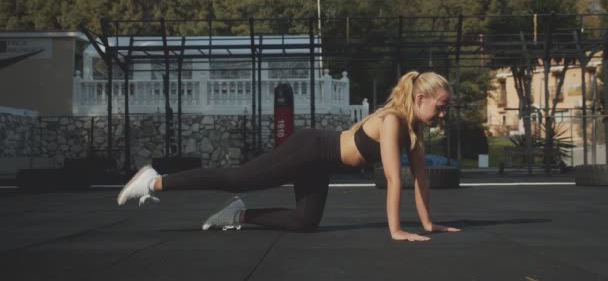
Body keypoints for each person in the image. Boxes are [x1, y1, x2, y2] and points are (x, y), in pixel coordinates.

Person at [117, 71, 461, 241]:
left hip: (322, 165)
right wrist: (397, 230)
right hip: (312, 148)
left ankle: (239, 215)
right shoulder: (392, 121)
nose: (442, 114)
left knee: (304, 223)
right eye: (440, 107)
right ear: (419, 99)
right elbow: (392, 177)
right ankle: (154, 181)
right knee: (240, 178)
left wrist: (429, 224)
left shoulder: (414, 134)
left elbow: (422, 178)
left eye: (445, 109)